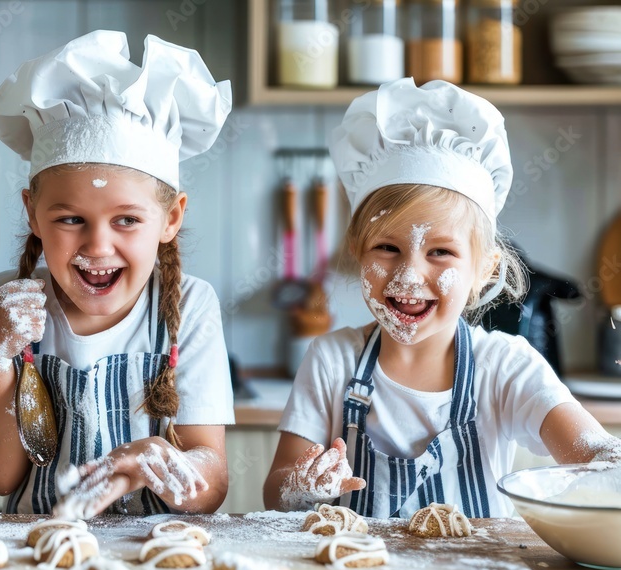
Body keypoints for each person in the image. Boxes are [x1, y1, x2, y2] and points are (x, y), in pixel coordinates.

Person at [263, 79, 621, 518]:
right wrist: (304, 485)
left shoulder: (506, 367)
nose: (409, 275)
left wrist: (611, 460)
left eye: (440, 252)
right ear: (358, 252)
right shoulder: (332, 361)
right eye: (387, 248)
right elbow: (277, 494)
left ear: (483, 269)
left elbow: (593, 452)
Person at [0, 31, 235, 518]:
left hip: (152, 556)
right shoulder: (10, 303)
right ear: (32, 213)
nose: (97, 246)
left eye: (127, 220)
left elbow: (211, 481)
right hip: (38, 549)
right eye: (71, 219)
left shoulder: (190, 308)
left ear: (170, 218)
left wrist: (150, 461)